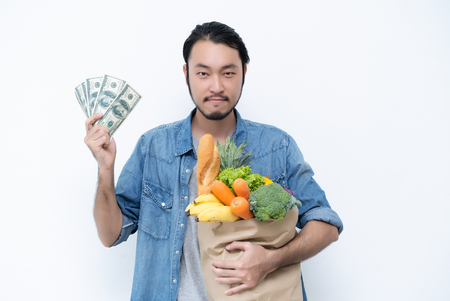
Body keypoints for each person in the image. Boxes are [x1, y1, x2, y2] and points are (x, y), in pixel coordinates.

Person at [84, 21, 343, 301]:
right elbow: (110, 235)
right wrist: (105, 168)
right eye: (203, 73)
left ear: (243, 72)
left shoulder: (276, 146)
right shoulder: (154, 147)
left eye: (228, 73)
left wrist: (271, 260)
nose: (216, 86)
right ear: (187, 74)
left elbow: (326, 225)